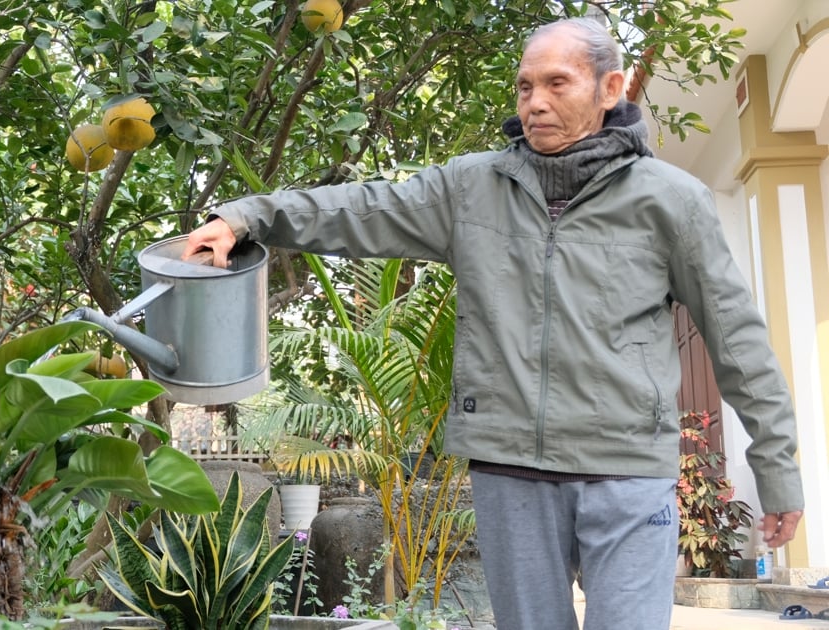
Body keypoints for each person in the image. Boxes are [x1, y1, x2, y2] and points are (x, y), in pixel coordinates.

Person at [181, 16, 805, 630]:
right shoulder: (470, 190)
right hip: (511, 472)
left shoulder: (671, 200)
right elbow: (358, 208)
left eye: (557, 84)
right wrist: (247, 217)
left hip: (628, 470)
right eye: (525, 87)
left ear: (610, 89)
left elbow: (736, 338)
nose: (535, 103)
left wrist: (777, 469)